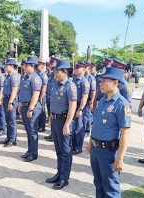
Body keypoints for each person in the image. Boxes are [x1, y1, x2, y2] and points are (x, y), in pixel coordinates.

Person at [86, 67, 131, 197]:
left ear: (115, 82)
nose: (101, 84)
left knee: (111, 187)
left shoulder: (122, 104)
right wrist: (90, 141)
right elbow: (96, 125)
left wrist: (120, 158)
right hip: (96, 149)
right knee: (98, 184)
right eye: (101, 81)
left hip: (109, 152)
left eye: (104, 81)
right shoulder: (103, 102)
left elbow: (125, 133)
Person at [46, 59, 77, 189]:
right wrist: (50, 119)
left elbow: (72, 106)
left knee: (65, 151)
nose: (54, 74)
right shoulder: (55, 84)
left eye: (57, 71)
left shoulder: (70, 86)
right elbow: (53, 103)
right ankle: (59, 173)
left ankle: (64, 178)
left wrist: (67, 124)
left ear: (64, 72)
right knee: (58, 150)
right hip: (55, 120)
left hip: (65, 121)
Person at [19, 57, 42, 162]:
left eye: (26, 65)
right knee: (28, 131)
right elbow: (22, 92)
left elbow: (36, 94)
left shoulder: (35, 78)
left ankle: (34, 153)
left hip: (32, 107)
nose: (24, 67)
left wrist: (31, 109)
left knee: (33, 131)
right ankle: (29, 150)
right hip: (24, 106)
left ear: (32, 66)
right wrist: (20, 104)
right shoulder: (24, 77)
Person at [0, 58, 19, 147]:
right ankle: (8, 138)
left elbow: (14, 90)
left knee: (11, 120)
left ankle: (12, 139)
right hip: (6, 98)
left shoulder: (14, 76)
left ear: (12, 66)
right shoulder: (8, 76)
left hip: (11, 100)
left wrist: (10, 102)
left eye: (6, 65)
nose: (5, 67)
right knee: (8, 120)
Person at [72, 62, 89, 155]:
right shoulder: (74, 80)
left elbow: (85, 97)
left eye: (77, 68)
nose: (75, 69)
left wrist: (80, 109)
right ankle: (73, 145)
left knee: (79, 128)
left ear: (83, 69)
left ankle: (78, 147)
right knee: (73, 127)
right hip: (73, 105)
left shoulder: (84, 82)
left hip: (79, 106)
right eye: (75, 68)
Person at [44, 57, 59, 141]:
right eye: (50, 62)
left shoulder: (56, 73)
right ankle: (52, 133)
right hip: (50, 97)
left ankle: (54, 135)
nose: (50, 64)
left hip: (55, 97)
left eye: (52, 62)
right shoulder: (50, 73)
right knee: (51, 116)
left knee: (54, 117)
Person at [83, 62, 96, 137]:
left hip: (88, 100)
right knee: (83, 117)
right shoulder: (82, 77)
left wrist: (92, 101)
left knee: (87, 116)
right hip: (82, 100)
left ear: (89, 68)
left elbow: (93, 91)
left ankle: (87, 131)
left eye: (86, 67)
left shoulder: (91, 78)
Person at [36, 60, 48, 132]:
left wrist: (41, 96)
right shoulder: (38, 74)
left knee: (42, 111)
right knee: (39, 110)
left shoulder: (43, 75)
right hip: (38, 95)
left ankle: (42, 126)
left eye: (39, 66)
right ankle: (39, 125)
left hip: (41, 95)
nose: (38, 67)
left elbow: (44, 87)